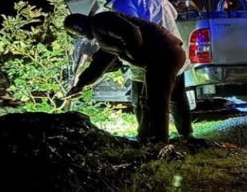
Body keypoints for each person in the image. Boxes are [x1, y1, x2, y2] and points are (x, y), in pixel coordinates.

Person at [88, 0, 194, 140]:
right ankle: (186, 134)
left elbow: (129, 35)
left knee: (143, 101)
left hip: (150, 58)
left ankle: (148, 137)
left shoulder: (122, 4)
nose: (98, 0)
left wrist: (129, 56)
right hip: (174, 50)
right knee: (177, 96)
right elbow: (174, 13)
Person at [65, 12, 187, 144]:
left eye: (75, 33)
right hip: (160, 57)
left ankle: (159, 142)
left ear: (77, 28)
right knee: (147, 102)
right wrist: (81, 84)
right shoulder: (101, 32)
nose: (78, 36)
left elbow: (131, 31)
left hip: (163, 55)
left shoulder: (101, 20)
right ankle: (146, 139)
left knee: (156, 102)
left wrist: (134, 54)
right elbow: (100, 63)